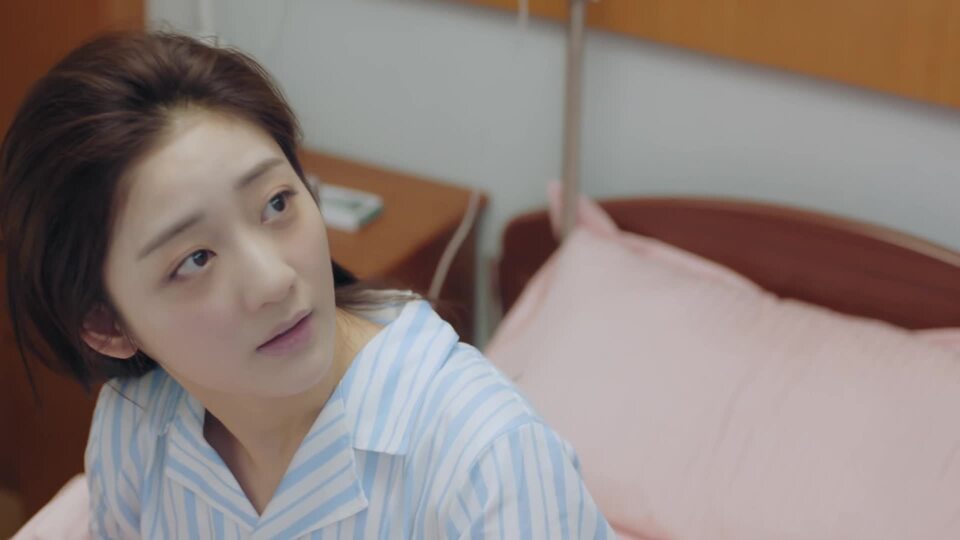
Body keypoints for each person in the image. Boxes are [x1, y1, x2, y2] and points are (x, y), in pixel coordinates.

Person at [0, 32, 615, 539]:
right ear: (108, 326)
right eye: (195, 260)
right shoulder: (136, 432)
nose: (273, 280)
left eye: (276, 203)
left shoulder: (487, 463)